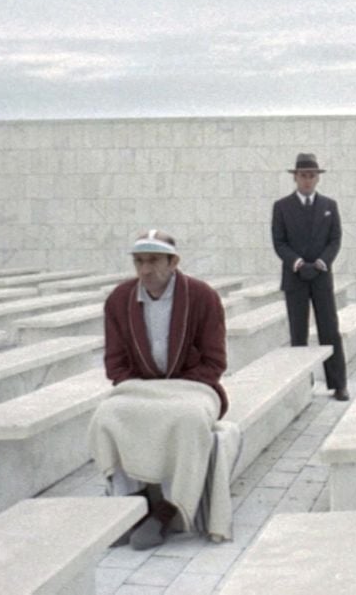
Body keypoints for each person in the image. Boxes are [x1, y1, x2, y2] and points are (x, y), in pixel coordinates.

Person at [87, 230, 230, 549]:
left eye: (153, 261)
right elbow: (115, 362)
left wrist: (176, 388)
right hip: (140, 389)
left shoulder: (202, 296)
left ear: (174, 261)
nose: (145, 270)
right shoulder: (120, 299)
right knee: (108, 415)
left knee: (187, 419)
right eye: (139, 262)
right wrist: (140, 387)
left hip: (193, 388)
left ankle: (166, 510)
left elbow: (214, 361)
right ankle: (134, 504)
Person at [270, 153, 350, 401]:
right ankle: (301, 386)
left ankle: (338, 384)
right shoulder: (282, 206)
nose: (307, 180)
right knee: (298, 332)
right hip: (295, 277)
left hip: (321, 275)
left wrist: (321, 262)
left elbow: (335, 239)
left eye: (311, 175)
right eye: (303, 175)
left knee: (329, 329)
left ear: (317, 178)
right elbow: (279, 241)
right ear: (295, 177)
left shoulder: (329, 205)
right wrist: (296, 263)